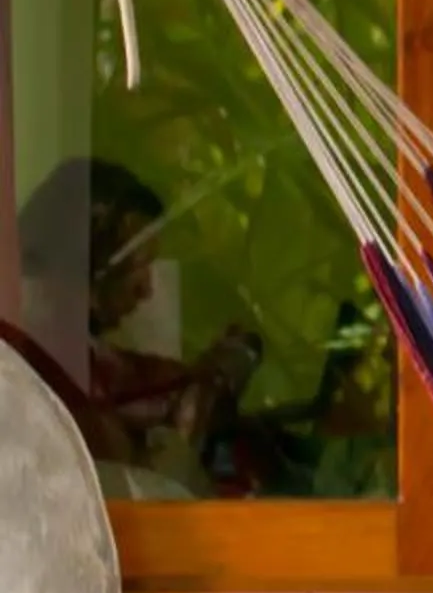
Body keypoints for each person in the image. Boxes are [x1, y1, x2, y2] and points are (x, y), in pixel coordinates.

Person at [5, 157, 261, 489]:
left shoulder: (75, 353)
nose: (147, 289)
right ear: (92, 262)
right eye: (139, 265)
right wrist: (179, 444)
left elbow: (136, 379)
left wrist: (205, 376)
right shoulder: (28, 368)